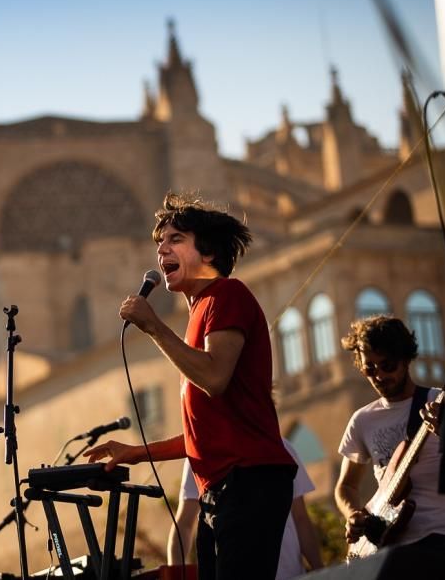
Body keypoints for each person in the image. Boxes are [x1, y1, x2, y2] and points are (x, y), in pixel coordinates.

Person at [84, 192, 295, 580]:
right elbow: (206, 434)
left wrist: (153, 327)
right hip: (220, 487)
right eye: (159, 243)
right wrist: (136, 453)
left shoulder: (226, 295)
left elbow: (214, 378)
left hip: (249, 481)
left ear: (209, 252)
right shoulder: (199, 310)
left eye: (175, 239)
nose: (161, 249)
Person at [335, 315, 445, 574]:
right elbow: (346, 485)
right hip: (386, 549)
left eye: (387, 365)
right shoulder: (362, 420)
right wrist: (354, 513)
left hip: (444, 540)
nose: (378, 375)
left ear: (406, 358)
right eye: (369, 369)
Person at [167, 439, 323, 579]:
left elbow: (300, 518)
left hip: (290, 574)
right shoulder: (203, 451)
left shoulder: (282, 447)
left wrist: (320, 570)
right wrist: (174, 574)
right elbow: (185, 523)